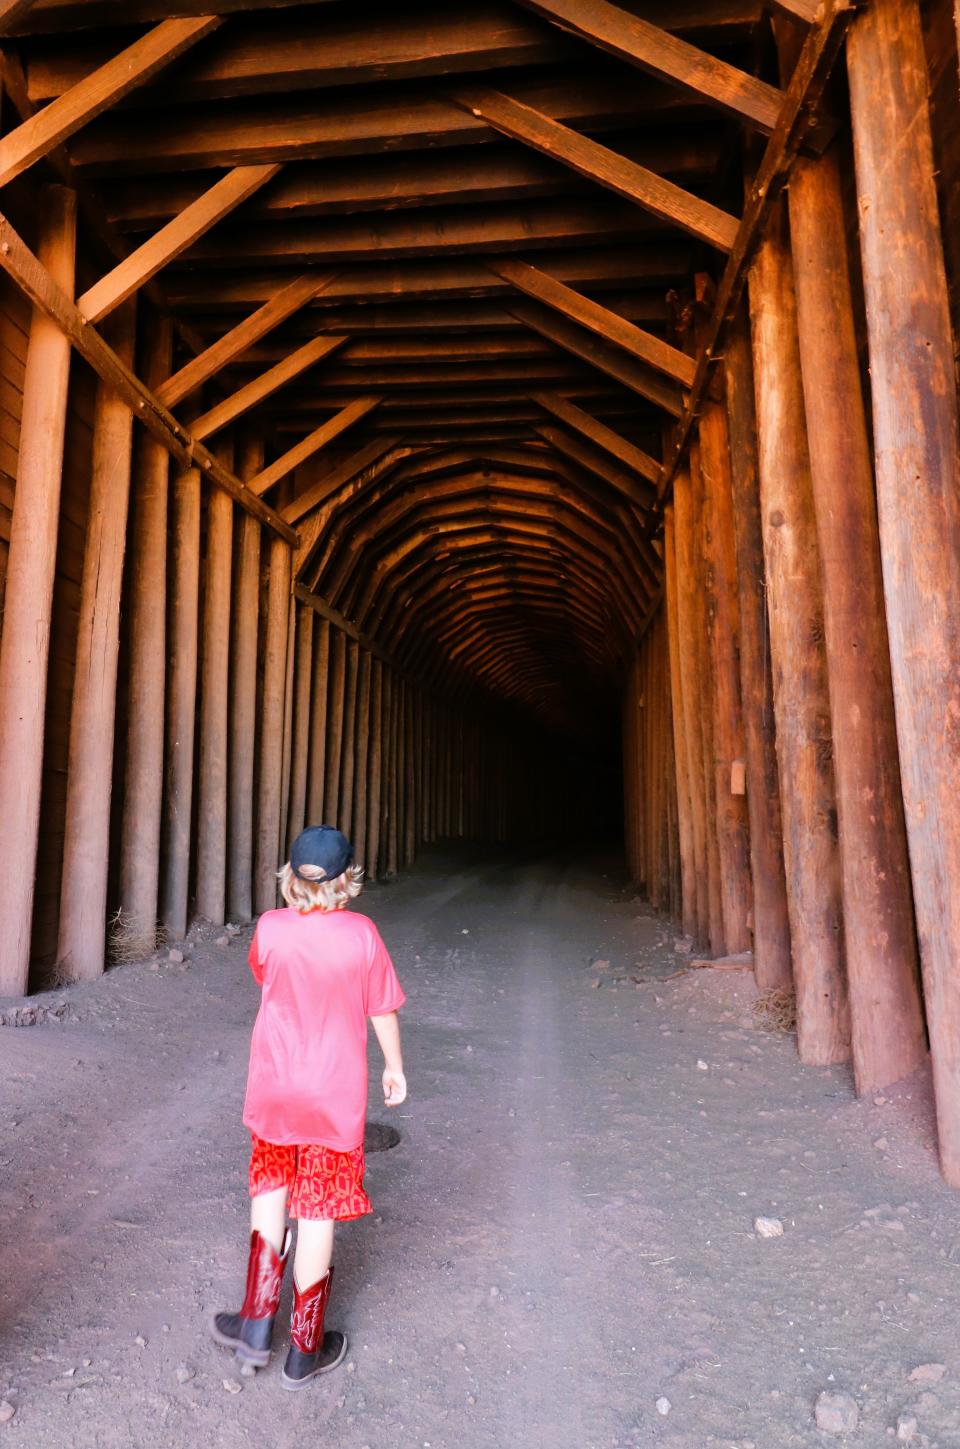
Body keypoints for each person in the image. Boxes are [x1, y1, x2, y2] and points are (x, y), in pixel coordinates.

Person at [211, 825, 407, 1390]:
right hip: (333, 1096)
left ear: (290, 878)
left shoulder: (271, 928)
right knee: (317, 1208)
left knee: (269, 1190)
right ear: (349, 878)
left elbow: (264, 975)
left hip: (274, 1086)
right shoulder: (363, 935)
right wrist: (394, 1067)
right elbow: (382, 1011)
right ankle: (304, 1349)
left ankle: (254, 1324)